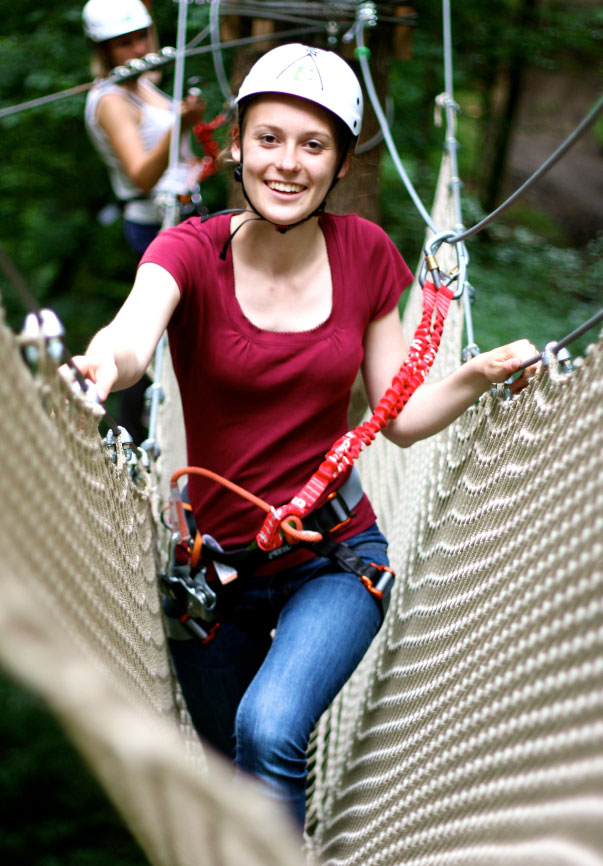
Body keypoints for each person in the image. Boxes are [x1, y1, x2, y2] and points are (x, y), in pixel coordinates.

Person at [70, 44, 538, 831]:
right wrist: (94, 367)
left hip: (334, 556)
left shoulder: (365, 253)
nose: (287, 164)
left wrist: (478, 372)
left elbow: (400, 416)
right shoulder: (188, 250)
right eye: (269, 139)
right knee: (239, 779)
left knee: (268, 730)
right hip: (212, 579)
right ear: (239, 148)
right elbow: (129, 340)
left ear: (340, 162)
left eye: (312, 145)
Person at [82, 0, 204, 442]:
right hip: (155, 223)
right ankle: (134, 434)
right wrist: (182, 124)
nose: (138, 48)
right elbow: (141, 173)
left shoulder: (143, 83)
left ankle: (155, 431)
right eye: (125, 43)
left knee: (177, 335)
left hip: (180, 213)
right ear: (104, 50)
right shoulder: (112, 99)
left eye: (143, 37)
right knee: (157, 335)